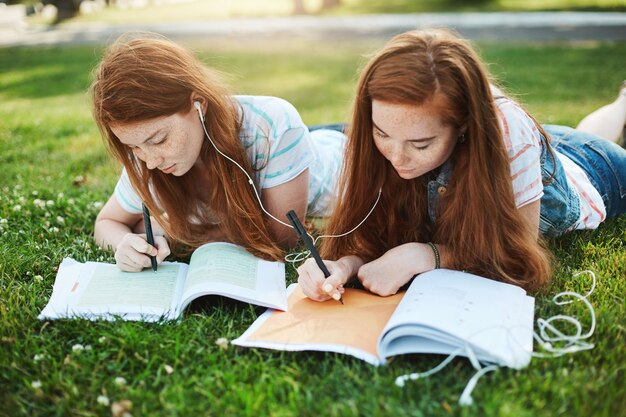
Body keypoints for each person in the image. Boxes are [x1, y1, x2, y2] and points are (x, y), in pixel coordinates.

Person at [297, 29, 626, 302]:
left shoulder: (509, 136)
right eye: (382, 134)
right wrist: (342, 265)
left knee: (589, 137)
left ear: (465, 125)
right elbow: (373, 238)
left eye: (421, 144)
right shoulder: (396, 125)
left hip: (595, 171)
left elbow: (518, 253)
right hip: (536, 152)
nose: (396, 157)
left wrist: (429, 255)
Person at [90, 33, 345, 272]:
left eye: (160, 139)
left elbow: (282, 237)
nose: (152, 161)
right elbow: (106, 223)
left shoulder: (275, 125)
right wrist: (123, 242)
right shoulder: (146, 156)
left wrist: (173, 230)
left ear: (198, 104)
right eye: (133, 146)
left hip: (341, 148)